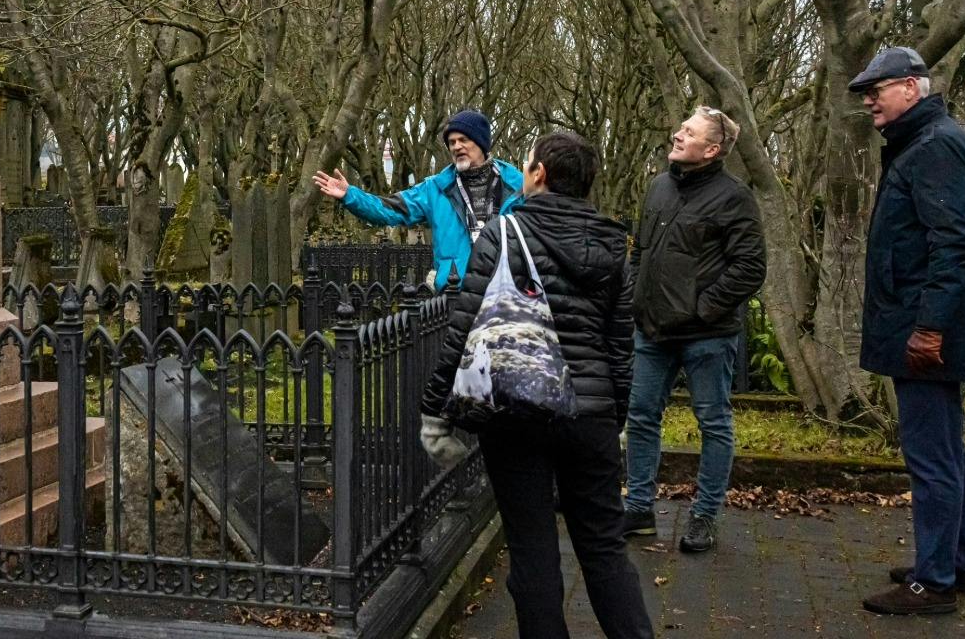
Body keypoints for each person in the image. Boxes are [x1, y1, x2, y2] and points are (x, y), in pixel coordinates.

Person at [417, 131, 652, 639]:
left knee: (532, 555)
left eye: (526, 167)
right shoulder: (613, 245)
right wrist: (615, 418)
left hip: (517, 412)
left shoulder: (502, 234)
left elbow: (464, 328)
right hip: (589, 417)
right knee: (605, 550)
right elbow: (619, 346)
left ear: (540, 174)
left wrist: (436, 413)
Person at [850, 47, 965, 616]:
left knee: (932, 458)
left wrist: (928, 330)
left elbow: (954, 246)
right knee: (947, 452)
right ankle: (960, 566)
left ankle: (934, 582)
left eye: (878, 88)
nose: (868, 97)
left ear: (913, 87)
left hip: (926, 335)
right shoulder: (924, 143)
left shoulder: (935, 146)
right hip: (926, 329)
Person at [622, 106, 766, 554]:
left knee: (713, 422)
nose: (677, 133)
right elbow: (640, 251)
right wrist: (634, 296)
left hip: (707, 335)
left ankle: (704, 516)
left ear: (712, 149)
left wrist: (703, 309)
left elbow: (750, 268)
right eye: (680, 127)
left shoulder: (734, 197)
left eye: (689, 131)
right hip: (652, 330)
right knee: (641, 416)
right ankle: (640, 509)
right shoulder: (657, 186)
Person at [312, 109, 522, 290]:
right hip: (456, 293)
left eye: (464, 140)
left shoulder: (516, 185)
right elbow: (389, 209)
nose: (457, 147)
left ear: (481, 143)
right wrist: (350, 195)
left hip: (508, 290)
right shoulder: (436, 188)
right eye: (452, 142)